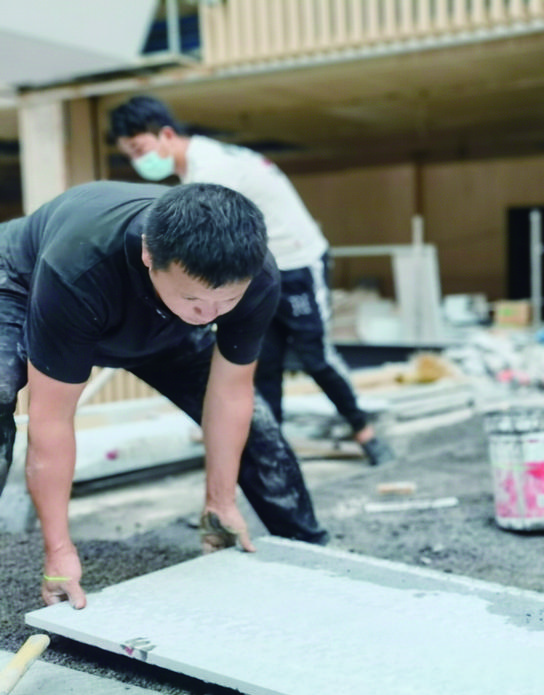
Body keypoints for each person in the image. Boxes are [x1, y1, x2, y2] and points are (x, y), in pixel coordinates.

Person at [0, 181, 332, 610]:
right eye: (196, 298)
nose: (210, 316)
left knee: (260, 433)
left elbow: (231, 393)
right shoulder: (79, 265)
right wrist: (59, 552)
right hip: (21, 287)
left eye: (226, 301)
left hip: (161, 322)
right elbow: (52, 420)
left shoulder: (257, 277)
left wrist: (221, 500)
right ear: (148, 256)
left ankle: (313, 556)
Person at [109, 95, 394, 466]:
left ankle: (365, 433)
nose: (137, 161)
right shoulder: (197, 168)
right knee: (265, 361)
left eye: (139, 148)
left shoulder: (211, 169)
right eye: (129, 155)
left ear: (165, 134)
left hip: (296, 262)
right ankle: (273, 454)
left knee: (316, 356)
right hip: (260, 269)